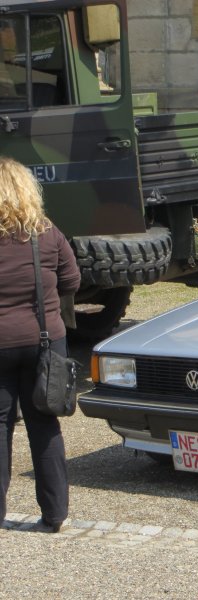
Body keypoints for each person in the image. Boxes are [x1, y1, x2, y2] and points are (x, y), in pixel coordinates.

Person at [0, 156, 81, 533]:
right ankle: (55, 513)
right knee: (44, 422)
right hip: (45, 340)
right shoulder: (47, 233)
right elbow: (72, 279)